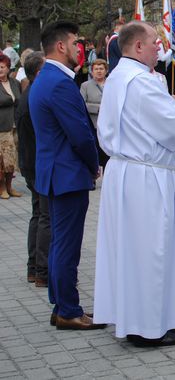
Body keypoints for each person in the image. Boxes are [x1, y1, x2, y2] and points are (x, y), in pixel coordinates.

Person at [93, 21, 175, 347]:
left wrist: (171, 107)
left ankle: (139, 317)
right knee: (152, 250)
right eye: (155, 41)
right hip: (146, 178)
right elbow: (169, 125)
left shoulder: (119, 78)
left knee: (134, 250)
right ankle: (148, 327)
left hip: (129, 173)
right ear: (138, 47)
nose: (160, 46)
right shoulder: (140, 81)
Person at [29, 21, 103, 330]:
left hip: (55, 171)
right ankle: (68, 309)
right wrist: (94, 163)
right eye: (75, 43)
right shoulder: (59, 83)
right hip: (67, 172)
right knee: (67, 245)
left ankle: (62, 304)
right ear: (61, 46)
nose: (79, 49)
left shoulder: (45, 78)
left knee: (61, 242)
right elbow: (80, 134)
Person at [16, 51, 50, 287]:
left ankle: (34, 267)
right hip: (37, 164)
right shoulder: (33, 96)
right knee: (45, 216)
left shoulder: (28, 94)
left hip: (31, 162)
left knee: (38, 214)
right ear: (39, 72)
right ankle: (42, 270)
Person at [0, 53, 22, 199]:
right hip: (2, 126)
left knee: (12, 159)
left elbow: (19, 99)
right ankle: (2, 188)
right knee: (3, 160)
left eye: (2, 67)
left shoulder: (15, 83)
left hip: (15, 124)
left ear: (8, 68)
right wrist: (10, 100)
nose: (0, 70)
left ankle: (9, 186)